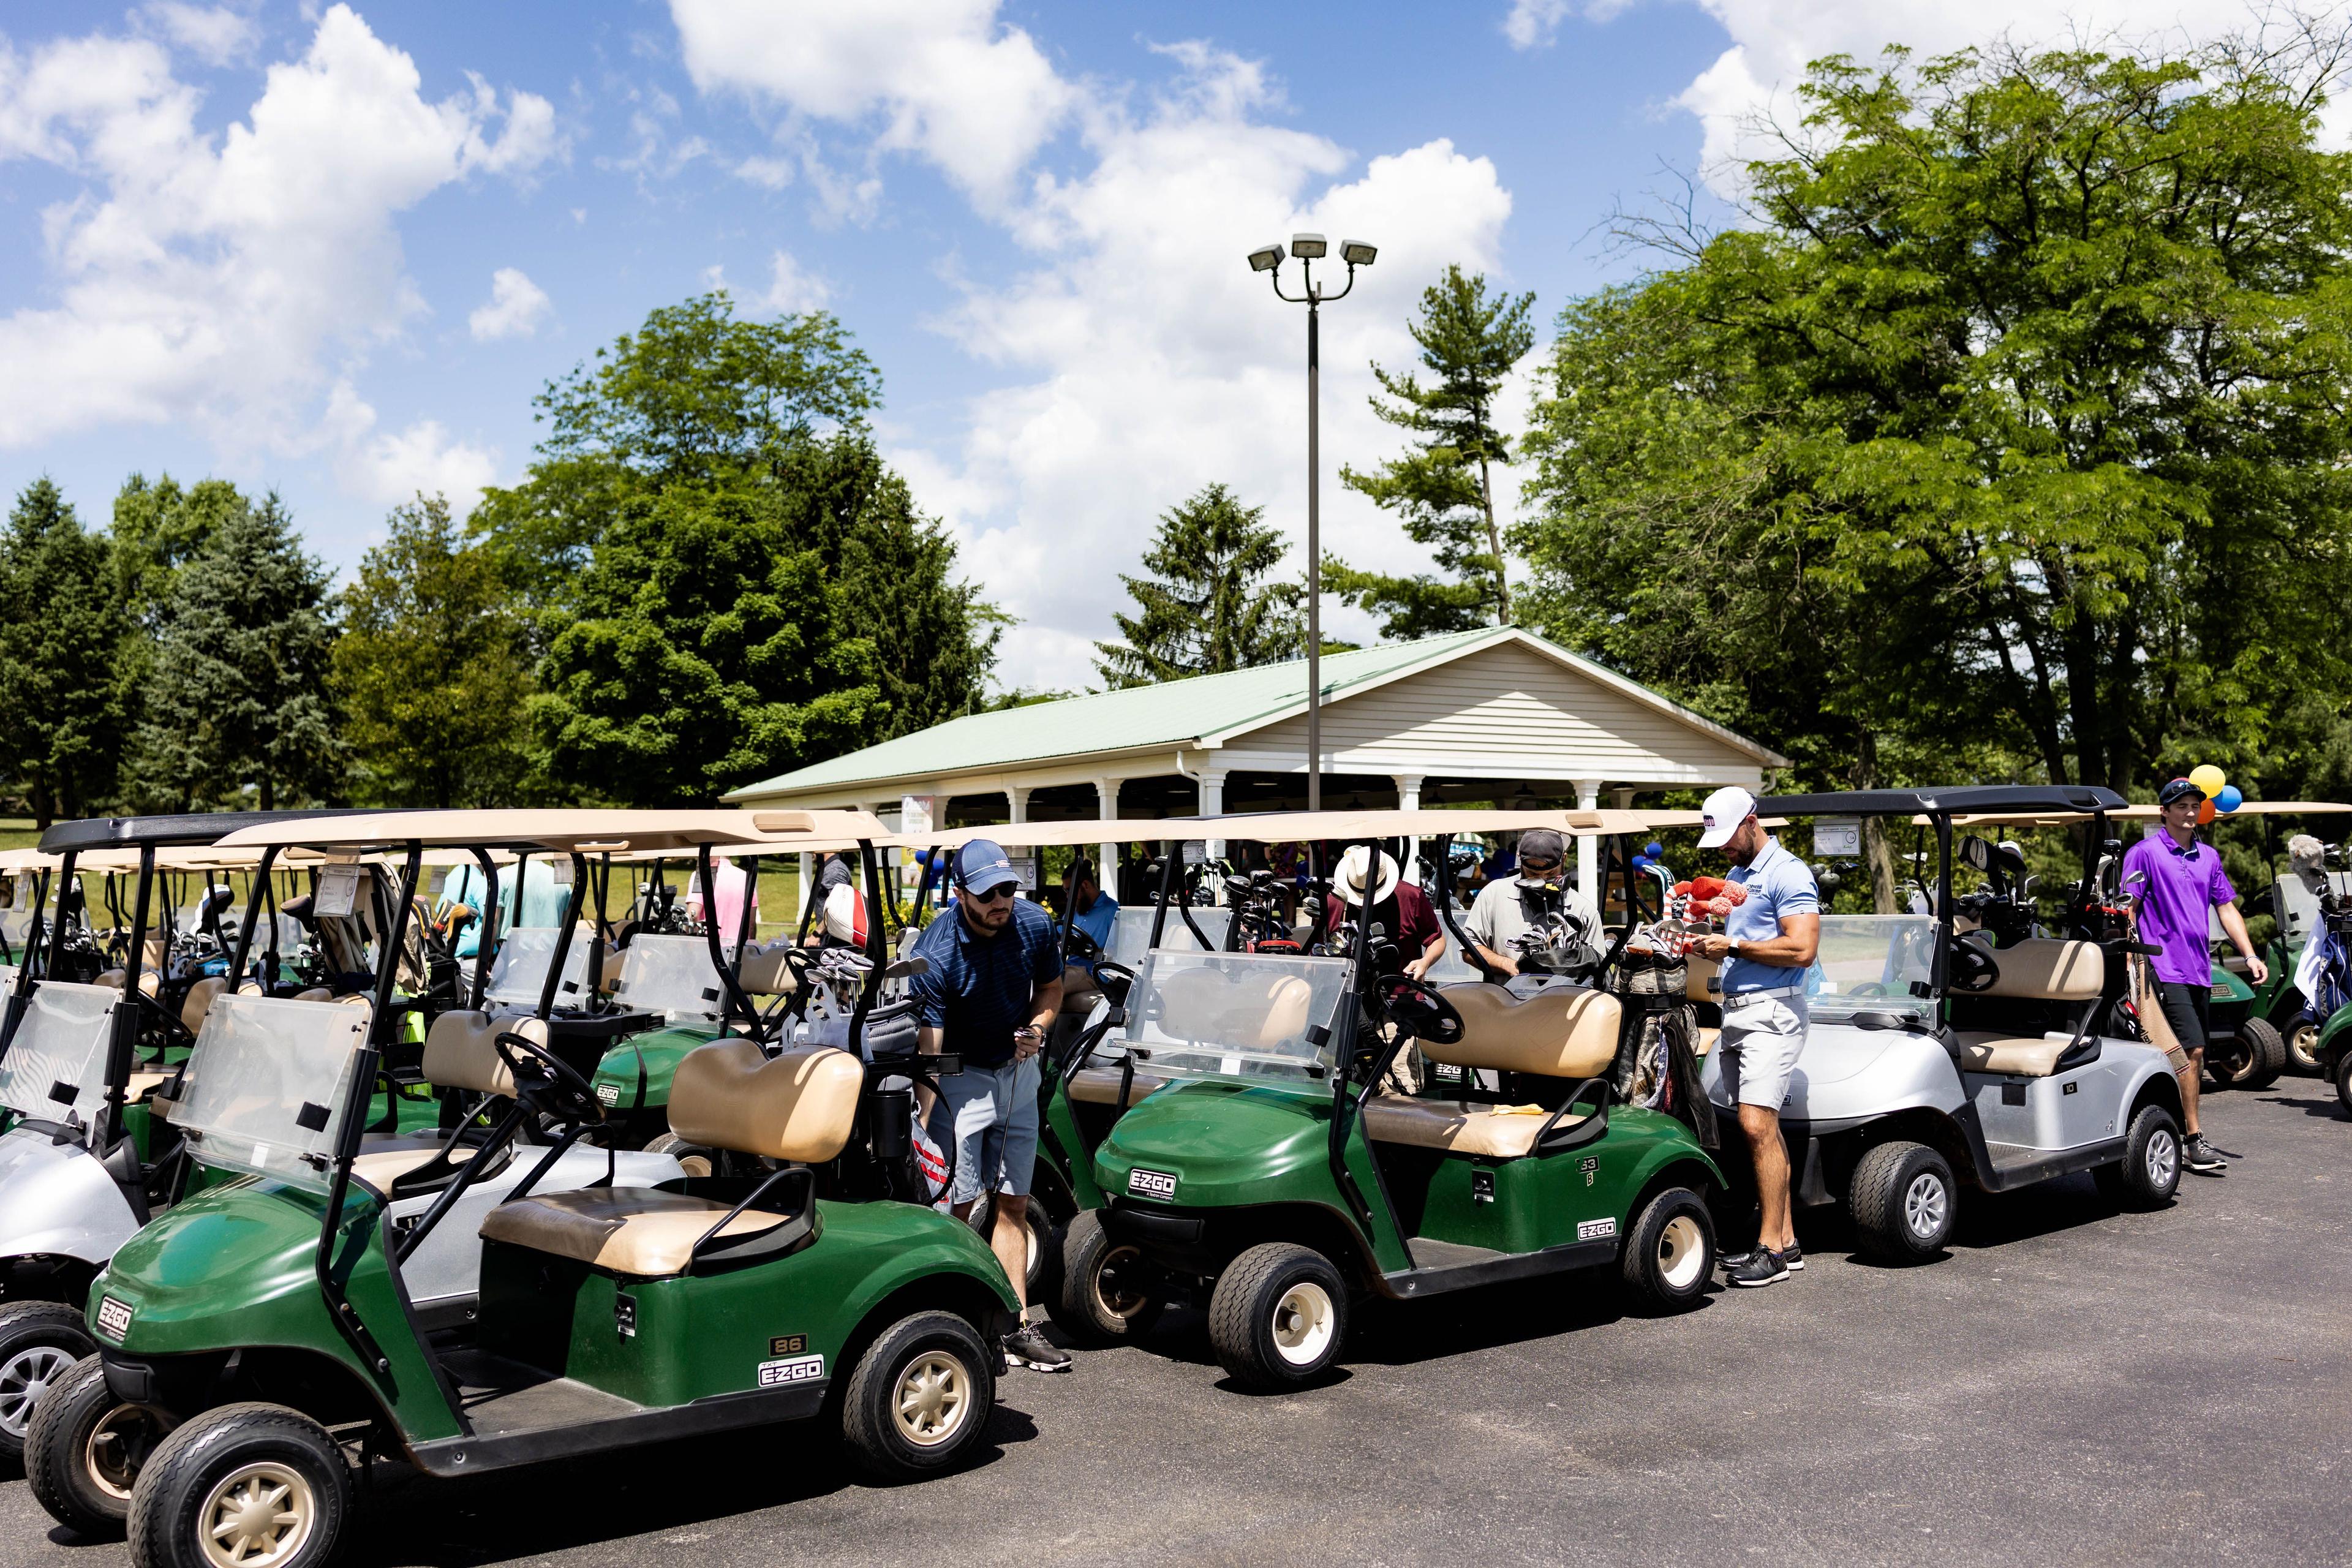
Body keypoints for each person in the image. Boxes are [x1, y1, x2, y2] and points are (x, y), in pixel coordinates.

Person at [908, 839, 1070, 1372]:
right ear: (960, 895)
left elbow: (1051, 988)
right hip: (960, 1076)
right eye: (987, 894)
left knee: (1014, 1204)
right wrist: (927, 1122)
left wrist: (1039, 1030)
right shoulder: (936, 952)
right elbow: (929, 1047)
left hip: (1018, 1072)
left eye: (1007, 889)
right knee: (955, 1209)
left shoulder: (1033, 923)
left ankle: (1018, 1328)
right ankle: (948, 1328)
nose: (1001, 901)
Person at [1685, 785, 1820, 1287]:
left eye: (1727, 838)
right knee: (1757, 1128)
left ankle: (1771, 1254)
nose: (1723, 849)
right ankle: (1786, 1241)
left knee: (1756, 1123)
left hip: (1774, 1013)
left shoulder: (1789, 872)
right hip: (1738, 1012)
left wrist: (1735, 944)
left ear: (1751, 821)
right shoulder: (1740, 876)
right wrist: (1710, 941)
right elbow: (1742, 942)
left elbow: (1802, 948)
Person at [2122, 777, 2269, 1175]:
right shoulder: (2144, 854)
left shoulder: (2209, 857)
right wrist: (2134, 965)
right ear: (2164, 812)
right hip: (2161, 968)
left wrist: (2250, 954)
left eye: (2194, 806)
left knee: (2184, 1055)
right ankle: (2193, 1138)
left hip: (2199, 970)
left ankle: (2162, 1131)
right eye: (2181, 806)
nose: (2189, 812)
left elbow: (2227, 909)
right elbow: (2128, 909)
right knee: (2193, 1052)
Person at [1463, 827, 1602, 976]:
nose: (1542, 881)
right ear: (1520, 860)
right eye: (1533, 874)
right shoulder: (1493, 894)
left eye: (1550, 874)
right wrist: (1508, 965)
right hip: (1503, 997)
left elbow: (1599, 967)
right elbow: (1468, 949)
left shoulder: (1583, 909)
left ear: (1564, 859)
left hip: (1564, 998)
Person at [1321, 844, 1446, 979]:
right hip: (1345, 993)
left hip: (1402, 994)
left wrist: (1425, 962)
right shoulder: (1333, 903)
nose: (1364, 905)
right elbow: (1317, 953)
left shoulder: (1411, 897)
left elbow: (1437, 939)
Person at [686, 854, 759, 943]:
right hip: (738, 949)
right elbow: (751, 923)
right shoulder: (746, 877)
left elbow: (693, 916)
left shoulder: (702, 876)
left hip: (710, 948)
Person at [1064, 857, 1119, 965]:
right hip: (1071, 969)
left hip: (1094, 973)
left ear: (1085, 885)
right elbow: (1059, 934)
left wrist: (1088, 951)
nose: (1067, 896)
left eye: (1069, 890)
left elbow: (1119, 953)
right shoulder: (1075, 911)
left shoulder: (1114, 912)